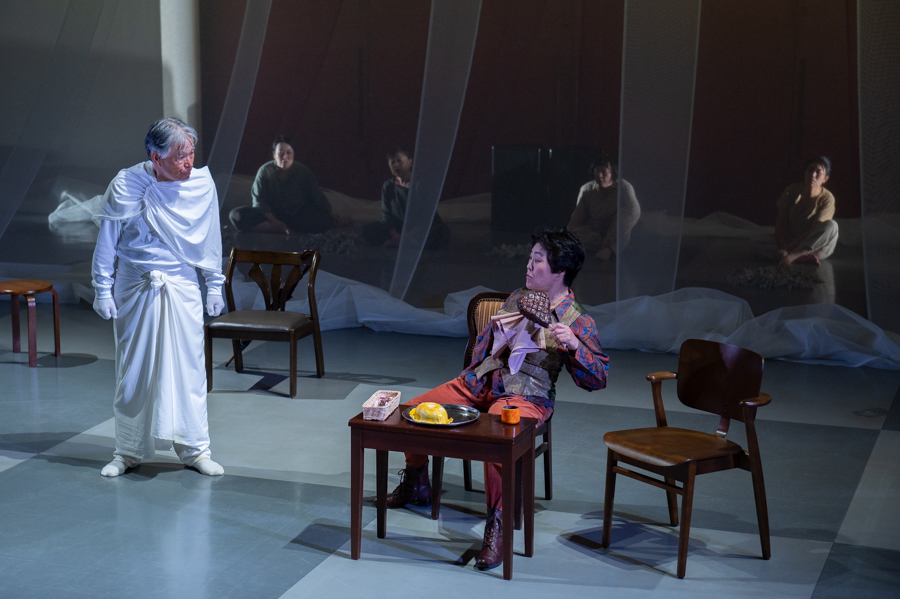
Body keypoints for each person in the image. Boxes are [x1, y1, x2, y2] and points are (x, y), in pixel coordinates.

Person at [385, 228, 609, 570]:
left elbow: (598, 378)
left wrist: (574, 344)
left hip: (524, 396)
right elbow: (484, 346)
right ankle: (417, 483)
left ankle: (498, 527)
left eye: (538, 260)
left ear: (560, 271)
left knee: (497, 438)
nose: (529, 265)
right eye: (530, 258)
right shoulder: (517, 297)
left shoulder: (577, 320)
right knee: (411, 412)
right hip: (479, 384)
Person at [91, 118, 226, 478]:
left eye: (192, 153)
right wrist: (102, 288)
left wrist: (214, 284)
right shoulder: (127, 184)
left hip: (181, 286)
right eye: (181, 156)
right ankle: (127, 451)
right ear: (156, 157)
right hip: (136, 286)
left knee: (190, 370)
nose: (189, 162)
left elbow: (211, 238)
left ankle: (195, 449)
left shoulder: (200, 185)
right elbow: (107, 240)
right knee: (133, 372)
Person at [229, 136, 344, 234]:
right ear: (274, 155)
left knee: (324, 221)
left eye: (288, 153)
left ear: (293, 154)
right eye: (281, 153)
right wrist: (274, 221)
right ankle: (278, 229)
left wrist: (330, 213)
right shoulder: (264, 171)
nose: (284, 157)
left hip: (297, 216)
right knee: (236, 215)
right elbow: (259, 201)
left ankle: (286, 228)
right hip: (270, 215)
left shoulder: (303, 172)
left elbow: (316, 196)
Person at [361, 147, 450, 248]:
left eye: (399, 160)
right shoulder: (388, 186)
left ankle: (404, 242)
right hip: (398, 227)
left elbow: (426, 217)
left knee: (443, 231)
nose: (396, 165)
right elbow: (386, 215)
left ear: (410, 162)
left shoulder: (421, 184)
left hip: (418, 229)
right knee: (366, 229)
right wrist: (395, 234)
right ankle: (404, 242)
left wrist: (407, 236)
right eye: (392, 162)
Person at [567, 155, 640, 261]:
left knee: (624, 218)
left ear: (613, 172)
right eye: (597, 171)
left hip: (616, 232)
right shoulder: (587, 189)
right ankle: (601, 246)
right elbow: (577, 217)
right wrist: (568, 236)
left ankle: (610, 249)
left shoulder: (625, 188)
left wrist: (610, 240)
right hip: (595, 233)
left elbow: (634, 212)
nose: (600, 176)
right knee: (572, 235)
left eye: (604, 172)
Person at [773, 156, 839, 266]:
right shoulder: (791, 190)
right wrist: (782, 247)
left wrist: (789, 251)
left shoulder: (827, 199)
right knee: (754, 243)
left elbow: (813, 231)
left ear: (825, 179)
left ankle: (794, 257)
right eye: (810, 170)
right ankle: (801, 258)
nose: (813, 175)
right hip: (790, 241)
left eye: (818, 172)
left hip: (814, 246)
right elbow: (780, 222)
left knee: (832, 226)